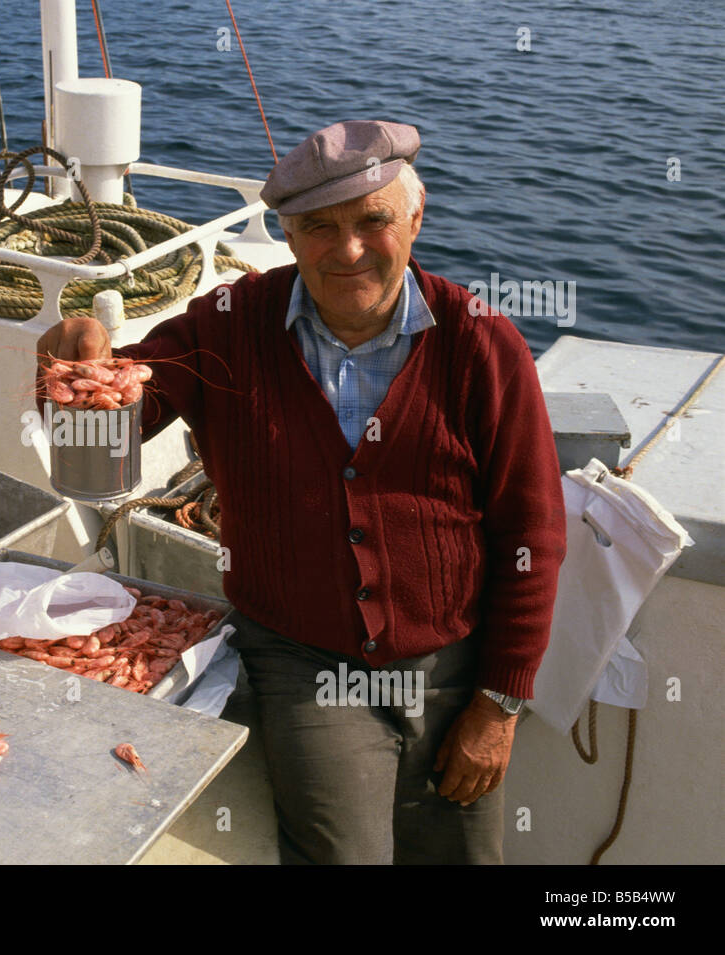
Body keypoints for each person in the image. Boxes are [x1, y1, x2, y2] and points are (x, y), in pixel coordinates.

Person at [36, 120, 568, 864]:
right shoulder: (231, 323)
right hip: (306, 658)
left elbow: (531, 536)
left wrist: (499, 702)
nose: (348, 250)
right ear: (287, 237)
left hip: (453, 656)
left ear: (416, 218)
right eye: (320, 228)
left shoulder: (481, 342)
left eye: (372, 221)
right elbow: (106, 433)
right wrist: (75, 375)